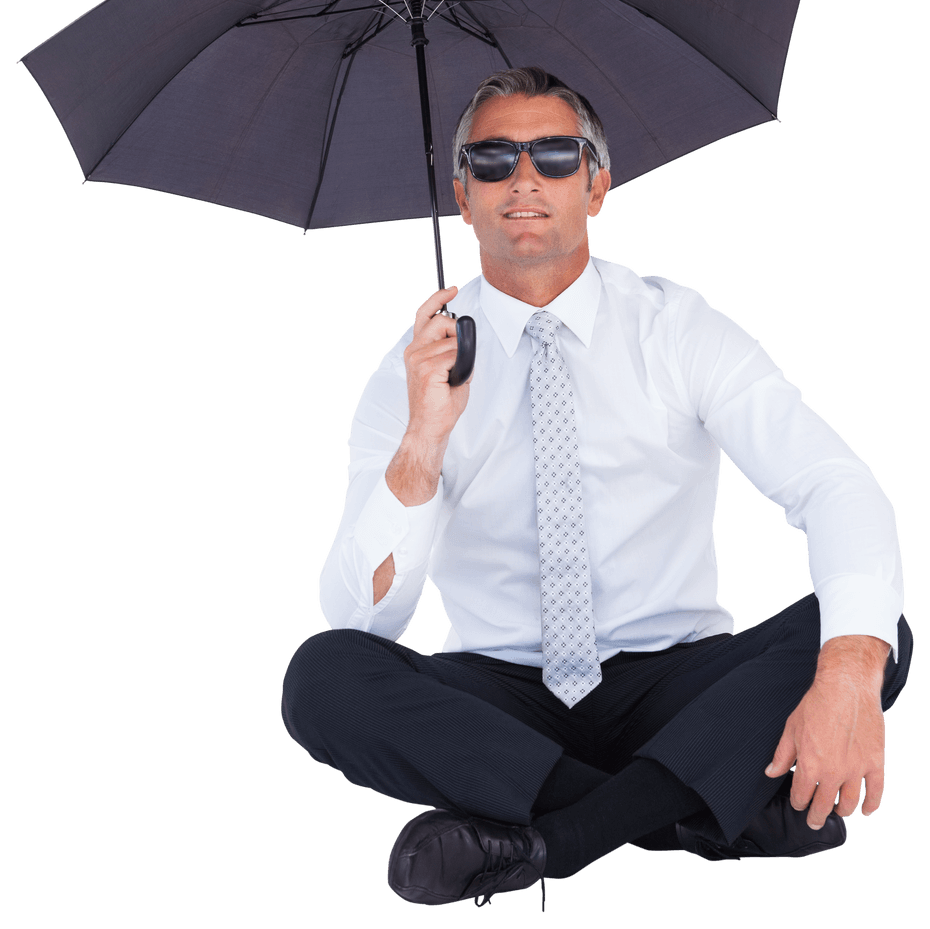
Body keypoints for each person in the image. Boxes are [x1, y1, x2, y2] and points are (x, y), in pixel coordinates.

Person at [280, 68, 911, 910]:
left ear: (598, 184)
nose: (525, 178)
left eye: (554, 154)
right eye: (494, 160)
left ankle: (559, 839)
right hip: (502, 698)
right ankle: (693, 810)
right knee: (321, 678)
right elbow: (364, 619)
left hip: (677, 682)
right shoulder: (412, 372)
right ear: (462, 196)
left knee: (877, 631)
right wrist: (422, 439)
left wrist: (846, 676)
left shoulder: (676, 327)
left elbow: (835, 484)